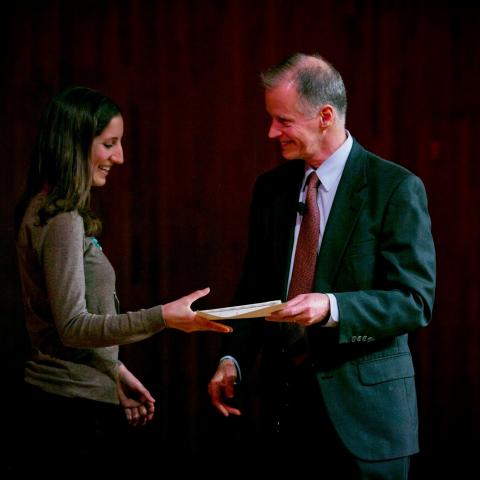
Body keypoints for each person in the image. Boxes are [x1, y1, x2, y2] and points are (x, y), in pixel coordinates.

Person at [208, 53, 436, 478]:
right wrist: (233, 359)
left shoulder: (394, 188)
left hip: (369, 424)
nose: (272, 132)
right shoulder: (271, 190)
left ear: (325, 116)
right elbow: (256, 286)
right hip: (287, 418)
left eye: (283, 121)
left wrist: (331, 308)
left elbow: (413, 301)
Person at [14, 86, 232, 476]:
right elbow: (73, 327)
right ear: (75, 144)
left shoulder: (51, 209)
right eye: (109, 144)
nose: (120, 157)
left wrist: (115, 371)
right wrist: (163, 316)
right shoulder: (62, 218)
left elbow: (64, 326)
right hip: (68, 413)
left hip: (72, 401)